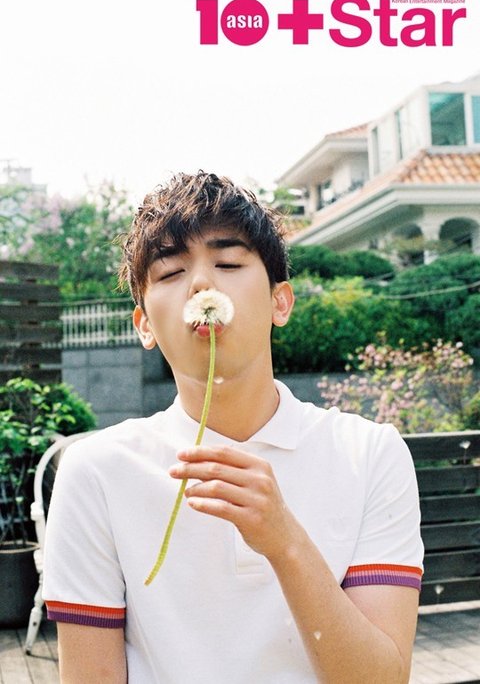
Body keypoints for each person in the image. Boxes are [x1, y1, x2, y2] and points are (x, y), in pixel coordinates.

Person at [43, 171, 423, 683]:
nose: (202, 284)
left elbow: (382, 679)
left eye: (228, 263)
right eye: (171, 272)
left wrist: (285, 542)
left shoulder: (371, 454)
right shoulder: (96, 473)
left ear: (280, 302)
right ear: (144, 325)